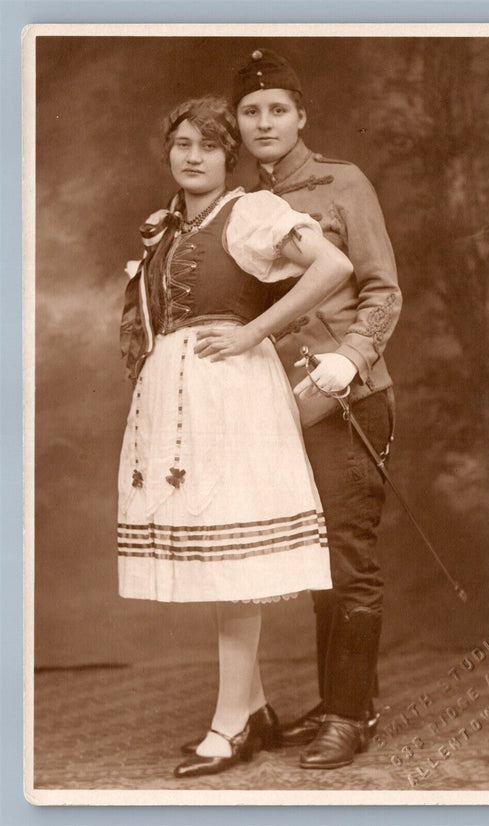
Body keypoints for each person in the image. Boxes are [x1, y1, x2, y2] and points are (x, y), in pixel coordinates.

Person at [117, 95, 353, 779]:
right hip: (183, 397)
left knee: (237, 561)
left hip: (232, 395)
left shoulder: (250, 212)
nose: (191, 157)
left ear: (231, 156)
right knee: (220, 560)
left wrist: (254, 331)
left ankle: (228, 727)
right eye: (181, 145)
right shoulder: (167, 226)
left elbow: (332, 267)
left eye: (207, 146)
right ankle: (251, 710)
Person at [226, 49, 403, 769]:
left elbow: (382, 290)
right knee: (314, 559)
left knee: (349, 557)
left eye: (277, 109)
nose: (264, 122)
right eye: (250, 111)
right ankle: (337, 703)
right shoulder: (238, 202)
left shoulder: (342, 184)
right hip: (282, 404)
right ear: (235, 126)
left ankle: (352, 716)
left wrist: (349, 358)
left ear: (301, 116)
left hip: (349, 398)